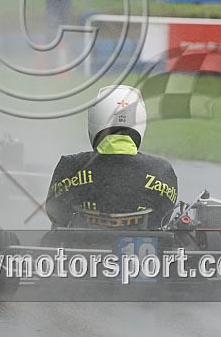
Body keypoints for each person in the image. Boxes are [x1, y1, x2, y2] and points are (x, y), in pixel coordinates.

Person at [45, 85, 178, 229]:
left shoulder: (70, 166)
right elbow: (162, 219)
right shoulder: (162, 170)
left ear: (95, 120)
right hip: (144, 249)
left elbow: (56, 214)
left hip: (81, 247)